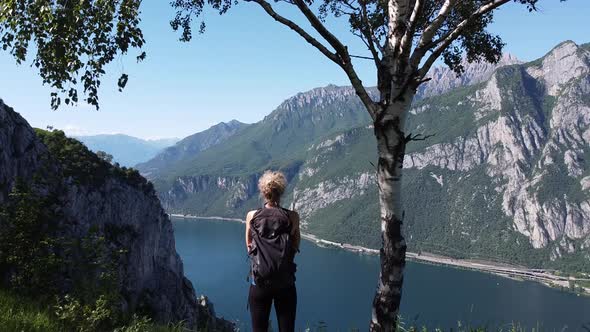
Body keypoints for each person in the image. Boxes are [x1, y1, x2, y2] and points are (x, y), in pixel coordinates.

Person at [245, 170, 301, 332]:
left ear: (263, 191)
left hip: (260, 283)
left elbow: (249, 245)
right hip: (285, 283)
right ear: (281, 191)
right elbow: (296, 246)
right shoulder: (292, 217)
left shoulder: (252, 216)